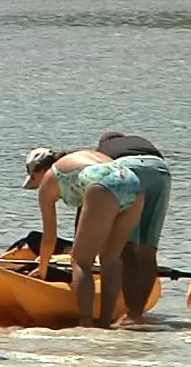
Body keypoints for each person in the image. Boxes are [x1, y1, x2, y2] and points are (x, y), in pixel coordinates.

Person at [22, 147, 143, 328]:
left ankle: (85, 322)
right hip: (134, 184)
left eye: (33, 177)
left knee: (80, 260)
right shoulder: (79, 158)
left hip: (102, 184)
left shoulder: (49, 180)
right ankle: (104, 321)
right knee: (111, 259)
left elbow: (49, 237)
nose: (36, 184)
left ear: (40, 170)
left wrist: (42, 268)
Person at [94, 132, 171, 325]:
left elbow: (91, 197)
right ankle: (136, 314)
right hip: (161, 171)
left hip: (127, 169)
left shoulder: (101, 152)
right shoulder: (139, 142)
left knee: (125, 247)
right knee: (147, 248)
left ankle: (126, 313)